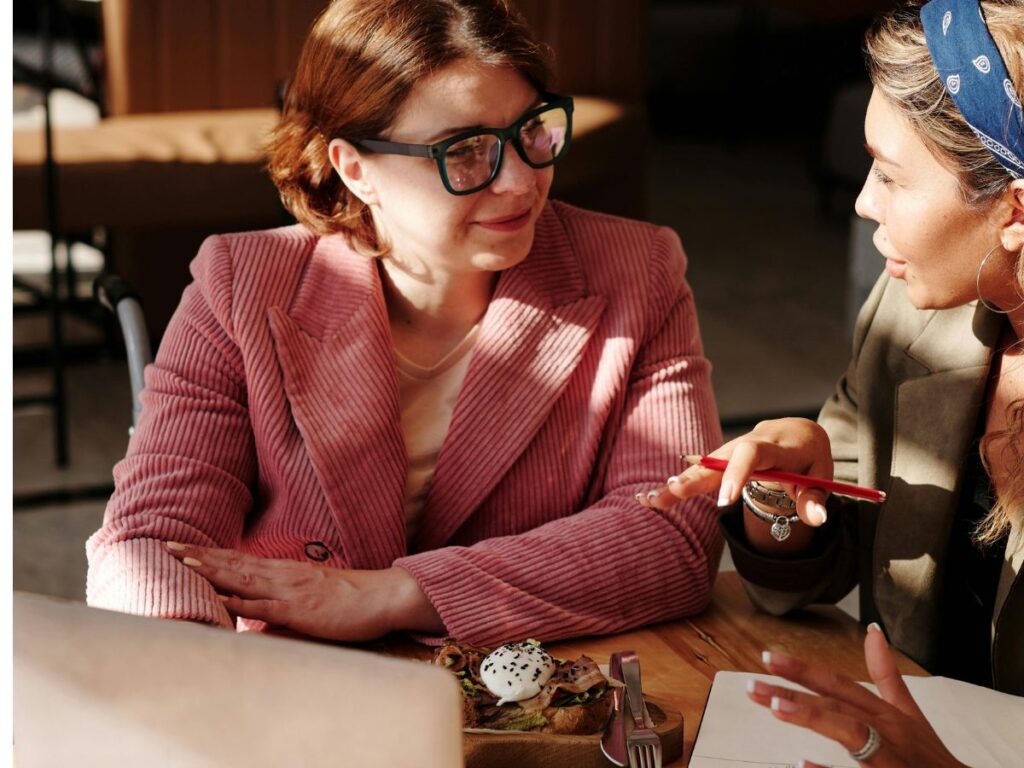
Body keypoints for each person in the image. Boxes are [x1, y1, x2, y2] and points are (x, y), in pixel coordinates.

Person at [85, 0, 723, 647]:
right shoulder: (241, 285)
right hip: (302, 684)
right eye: (466, 151)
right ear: (354, 167)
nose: (520, 181)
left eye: (532, 131)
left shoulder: (636, 272)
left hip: (541, 693)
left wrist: (399, 595)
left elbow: (674, 535)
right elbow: (150, 540)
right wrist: (195, 676)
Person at [643, 0, 1022, 764]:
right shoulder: (917, 316)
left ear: (1014, 209)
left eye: (890, 176)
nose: (862, 202)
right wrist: (778, 495)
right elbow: (814, 569)